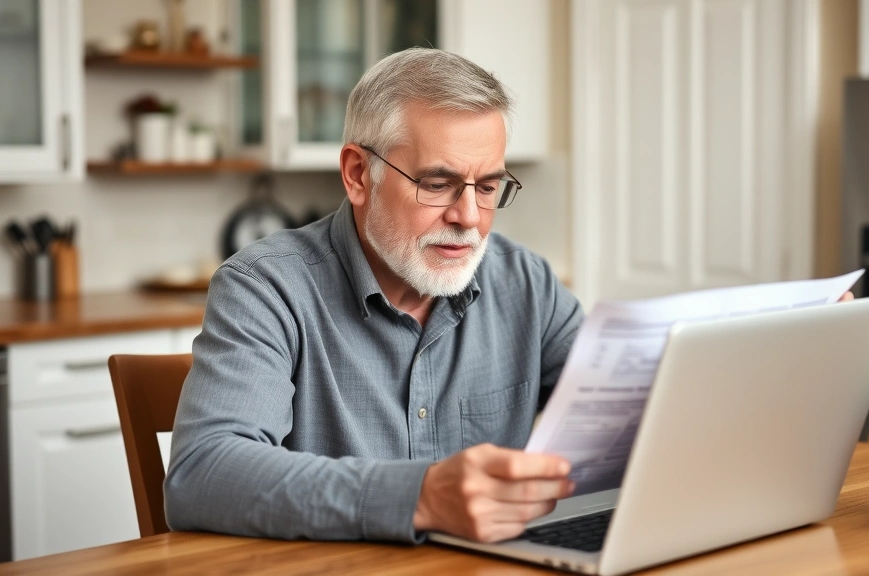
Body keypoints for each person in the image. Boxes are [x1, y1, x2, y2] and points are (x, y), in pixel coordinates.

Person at [165, 48, 583, 545]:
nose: (469, 217)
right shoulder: (265, 288)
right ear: (359, 175)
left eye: (488, 187)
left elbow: (624, 415)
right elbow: (201, 474)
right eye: (438, 184)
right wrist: (420, 497)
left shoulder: (526, 283)